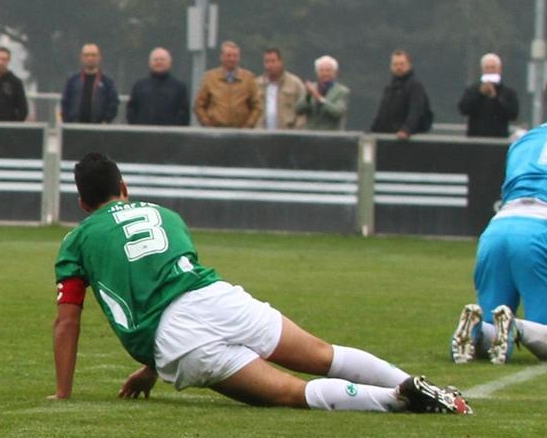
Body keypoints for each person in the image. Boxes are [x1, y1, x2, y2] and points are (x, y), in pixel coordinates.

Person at [51, 151, 471, 414]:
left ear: (83, 203)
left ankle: (398, 401)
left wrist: (64, 393)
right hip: (216, 296)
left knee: (291, 393)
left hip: (177, 339)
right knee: (324, 354)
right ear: (124, 187)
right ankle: (412, 382)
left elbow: (69, 321)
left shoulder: (77, 240)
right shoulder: (164, 215)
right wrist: (150, 371)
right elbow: (167, 282)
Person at [450, 64, 547, 365]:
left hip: (498, 230)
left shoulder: (525, 140)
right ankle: (516, 326)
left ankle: (479, 331)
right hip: (543, 232)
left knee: (495, 333)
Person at [193, 41, 261, 128]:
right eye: (228, 56)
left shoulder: (248, 78)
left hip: (240, 133)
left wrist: (248, 126)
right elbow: (199, 105)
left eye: (235, 56)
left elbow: (257, 106)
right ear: (221, 57)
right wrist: (208, 125)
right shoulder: (210, 78)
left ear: (239, 58)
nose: (232, 59)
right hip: (216, 133)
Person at [370, 50, 431, 139]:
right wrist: (373, 131)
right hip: (388, 137)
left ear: (409, 65)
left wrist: (406, 130)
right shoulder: (389, 87)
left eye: (402, 64)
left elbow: (416, 111)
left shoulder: (415, 85)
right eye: (395, 64)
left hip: (406, 140)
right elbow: (382, 113)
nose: (398, 67)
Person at [457, 53, 520, 138]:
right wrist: (480, 94)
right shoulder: (472, 90)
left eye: (493, 67)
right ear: (482, 70)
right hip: (475, 139)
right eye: (487, 68)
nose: (490, 71)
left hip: (499, 140)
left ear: (499, 70)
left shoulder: (508, 92)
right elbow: (463, 109)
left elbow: (513, 114)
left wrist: (494, 98)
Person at [125, 47, 189, 126]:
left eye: (162, 59)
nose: (159, 62)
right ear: (149, 63)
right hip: (144, 135)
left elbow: (184, 114)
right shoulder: (139, 86)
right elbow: (131, 111)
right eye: (155, 59)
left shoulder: (179, 87)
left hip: (171, 135)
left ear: (170, 63)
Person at [59, 43, 118, 124]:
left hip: (99, 129)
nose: (90, 58)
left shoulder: (107, 82)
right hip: (74, 128)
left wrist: (106, 121)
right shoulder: (72, 81)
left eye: (93, 55)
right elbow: (65, 102)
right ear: (81, 57)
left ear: (99, 57)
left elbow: (113, 103)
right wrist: (67, 121)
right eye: (86, 55)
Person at [295, 56, 350, 131]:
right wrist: (308, 96)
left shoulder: (342, 91)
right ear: (317, 73)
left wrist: (320, 99)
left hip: (330, 136)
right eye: (321, 71)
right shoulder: (311, 88)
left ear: (335, 73)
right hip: (310, 135)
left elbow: (338, 112)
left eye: (328, 71)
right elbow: (298, 110)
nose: (324, 73)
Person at [256, 48, 306, 130]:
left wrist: (296, 131)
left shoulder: (295, 84)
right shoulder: (256, 85)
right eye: (267, 61)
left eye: (273, 61)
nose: (269, 65)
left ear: (281, 62)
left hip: (287, 136)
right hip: (261, 136)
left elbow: (303, 112)